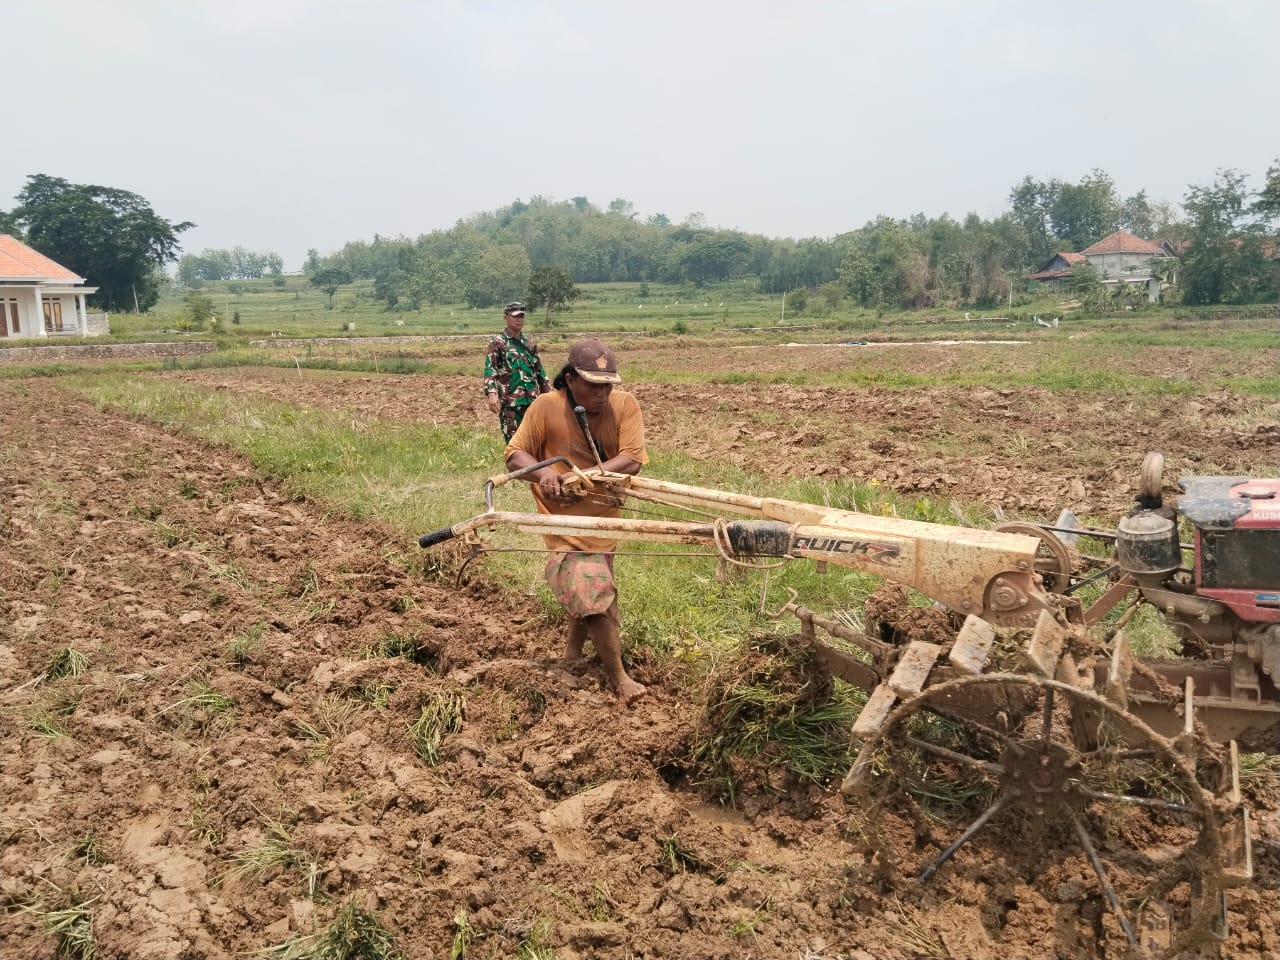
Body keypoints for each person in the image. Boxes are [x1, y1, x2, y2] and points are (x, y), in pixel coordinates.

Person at [504, 338, 648, 704]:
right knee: (592, 589)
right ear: (570, 380)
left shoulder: (625, 406)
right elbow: (515, 455)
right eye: (593, 385)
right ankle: (618, 678)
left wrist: (587, 476)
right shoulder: (545, 407)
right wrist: (544, 475)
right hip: (563, 524)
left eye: (608, 385)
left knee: (592, 587)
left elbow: (631, 459)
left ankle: (572, 655)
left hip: (605, 522)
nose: (602, 394)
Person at [483, 302, 552, 440]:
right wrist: (491, 393)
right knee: (515, 443)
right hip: (511, 403)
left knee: (537, 440)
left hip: (533, 400)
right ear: (506, 318)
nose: (519, 319)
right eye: (515, 316)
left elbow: (539, 370)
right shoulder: (498, 342)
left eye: (521, 316)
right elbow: (490, 369)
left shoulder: (529, 342)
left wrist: (549, 394)